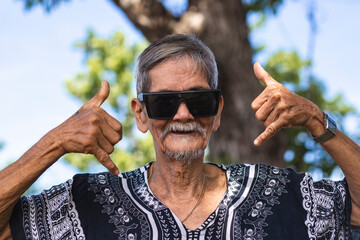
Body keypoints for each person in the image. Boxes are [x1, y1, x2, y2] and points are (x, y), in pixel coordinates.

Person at [0, 34, 359, 240]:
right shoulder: (85, 203)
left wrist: (317, 119)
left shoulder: (280, 194)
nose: (183, 115)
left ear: (217, 113)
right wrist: (56, 142)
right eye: (164, 102)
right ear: (140, 114)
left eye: (199, 100)